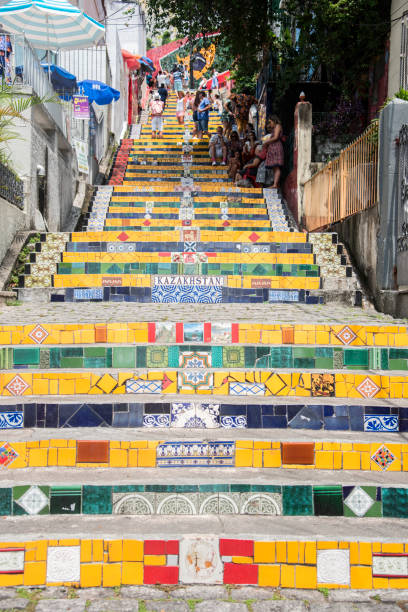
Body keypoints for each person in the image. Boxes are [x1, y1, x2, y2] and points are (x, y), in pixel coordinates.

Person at [262, 115, 284, 188]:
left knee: (277, 167)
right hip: (273, 148)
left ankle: (275, 184)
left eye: (270, 122)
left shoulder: (278, 126)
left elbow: (276, 137)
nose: (270, 124)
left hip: (276, 147)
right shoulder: (275, 128)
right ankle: (275, 184)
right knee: (275, 167)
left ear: (274, 120)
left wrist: (266, 142)